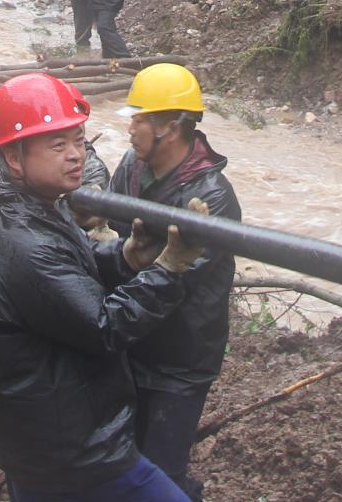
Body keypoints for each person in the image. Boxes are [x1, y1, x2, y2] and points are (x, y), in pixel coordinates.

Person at [0, 73, 206, 502]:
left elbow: (69, 266)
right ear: (14, 157)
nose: (76, 155)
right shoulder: (25, 242)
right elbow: (106, 326)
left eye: (78, 140)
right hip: (69, 446)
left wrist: (126, 257)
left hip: (34, 427)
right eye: (58, 145)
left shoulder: (20, 206)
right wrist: (169, 268)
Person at [109, 64, 240, 501]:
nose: (131, 129)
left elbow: (179, 280)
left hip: (180, 358)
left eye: (140, 120)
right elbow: (115, 234)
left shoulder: (212, 196)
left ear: (171, 127)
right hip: (134, 342)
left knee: (161, 468)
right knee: (125, 460)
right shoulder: (132, 166)